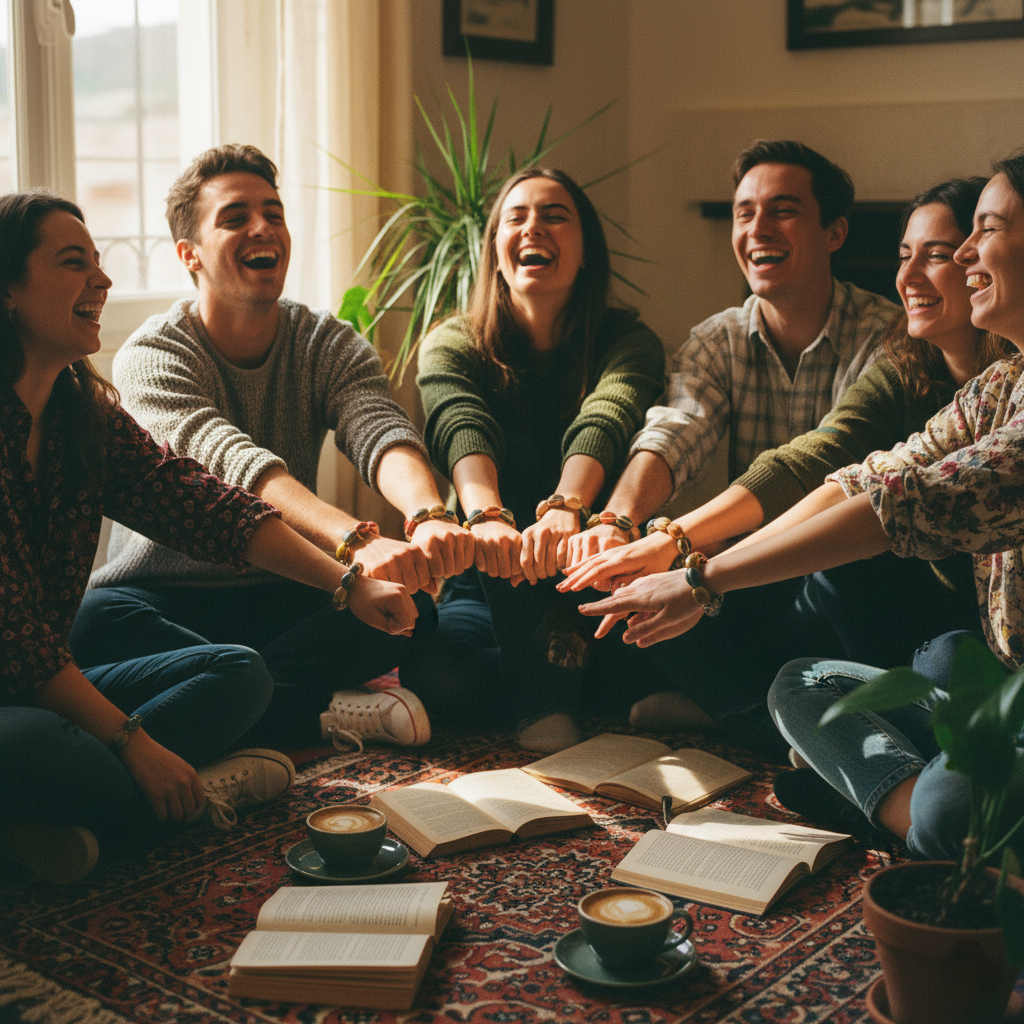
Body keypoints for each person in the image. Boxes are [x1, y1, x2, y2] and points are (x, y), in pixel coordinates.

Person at [574, 152, 1024, 858]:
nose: (962, 255)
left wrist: (701, 578)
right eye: (920, 252)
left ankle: (888, 799)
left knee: (943, 808)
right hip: (987, 666)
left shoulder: (915, 349)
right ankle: (899, 785)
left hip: (964, 649)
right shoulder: (996, 387)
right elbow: (854, 475)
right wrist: (680, 552)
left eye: (980, 233)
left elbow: (892, 510)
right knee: (803, 683)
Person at [0, 190, 419, 884]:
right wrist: (133, 742)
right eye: (75, 264)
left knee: (240, 673)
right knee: (49, 747)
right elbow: (15, 637)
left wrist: (349, 583)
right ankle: (146, 803)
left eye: (99, 264)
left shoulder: (82, 414)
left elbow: (206, 507)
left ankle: (57, 826)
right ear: (9, 289)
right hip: (22, 694)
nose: (102, 282)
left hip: (44, 679)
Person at [71, 145, 474, 751]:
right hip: (168, 597)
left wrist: (428, 514)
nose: (263, 229)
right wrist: (357, 541)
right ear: (191, 255)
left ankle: (240, 701)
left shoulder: (325, 342)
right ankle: (316, 708)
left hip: (290, 586)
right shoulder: (152, 356)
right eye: (234, 218)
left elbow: (380, 427)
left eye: (274, 214)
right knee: (93, 625)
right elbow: (234, 468)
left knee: (412, 610)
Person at [416, 167, 665, 753]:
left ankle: (544, 702)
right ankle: (584, 686)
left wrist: (566, 508)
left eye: (556, 215)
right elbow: (461, 426)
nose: (535, 227)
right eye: (517, 216)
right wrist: (488, 518)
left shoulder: (630, 341)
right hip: (482, 581)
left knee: (665, 634)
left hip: (596, 573)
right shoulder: (452, 342)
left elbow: (606, 415)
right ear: (495, 251)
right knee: (438, 676)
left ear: (586, 252)